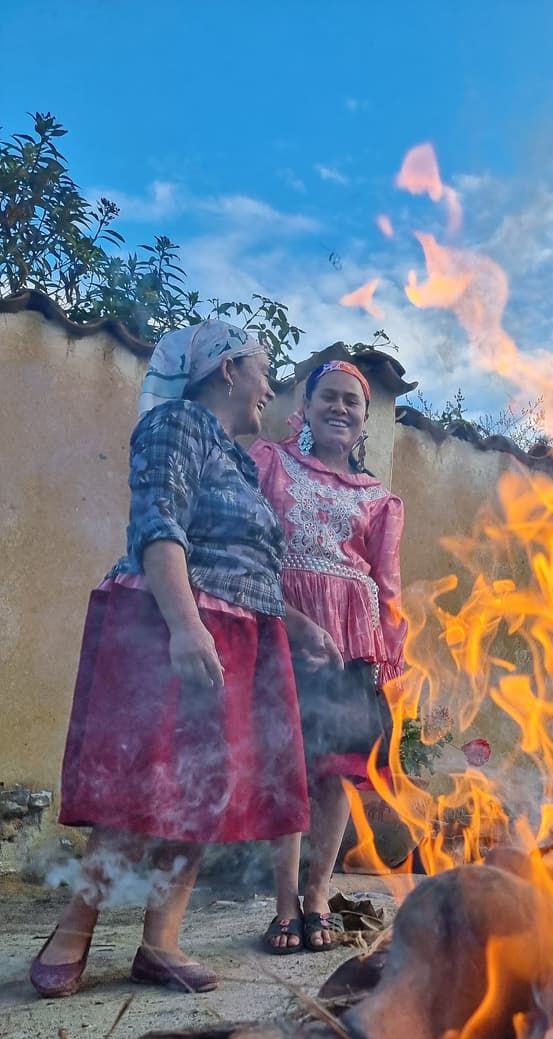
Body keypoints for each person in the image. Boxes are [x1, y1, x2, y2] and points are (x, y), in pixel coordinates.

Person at [29, 320, 324, 999]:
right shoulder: (176, 425)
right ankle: (74, 928)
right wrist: (186, 627)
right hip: (171, 621)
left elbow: (255, 567)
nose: (270, 388)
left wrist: (299, 626)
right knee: (139, 780)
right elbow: (157, 524)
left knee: (202, 787)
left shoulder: (242, 462)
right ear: (227, 369)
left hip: (243, 630)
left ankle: (160, 943)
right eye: (264, 370)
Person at [250, 359, 407, 952]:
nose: (341, 408)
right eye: (330, 398)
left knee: (335, 773)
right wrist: (275, 618)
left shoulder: (381, 500)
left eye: (353, 402)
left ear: (366, 420)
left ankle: (318, 896)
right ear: (306, 406)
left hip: (350, 640)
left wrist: (388, 653)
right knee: (287, 764)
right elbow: (250, 546)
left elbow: (387, 583)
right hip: (283, 625)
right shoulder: (271, 463)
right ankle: (284, 903)